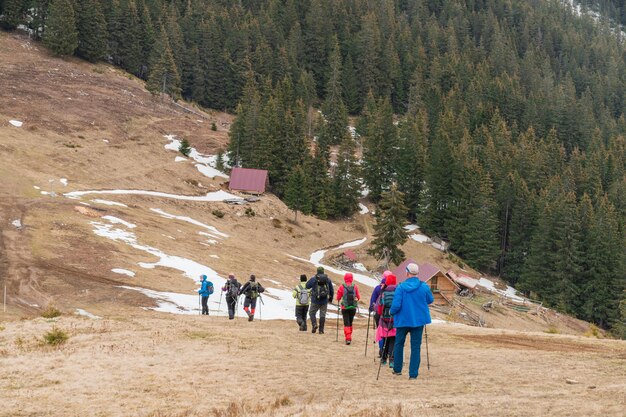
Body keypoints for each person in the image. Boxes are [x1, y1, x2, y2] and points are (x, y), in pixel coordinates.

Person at [390, 263, 434, 379]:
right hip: (418, 321)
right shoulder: (423, 286)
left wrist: (391, 312)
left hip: (402, 320)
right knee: (416, 347)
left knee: (399, 344)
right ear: (417, 273)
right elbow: (430, 299)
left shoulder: (400, 287)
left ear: (407, 272)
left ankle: (397, 369)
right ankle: (413, 374)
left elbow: (396, 305)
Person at [376, 273, 397, 367]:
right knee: (393, 339)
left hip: (384, 319)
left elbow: (379, 309)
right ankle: (392, 360)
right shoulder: (398, 292)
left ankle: (383, 358)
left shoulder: (383, 293)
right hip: (395, 319)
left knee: (385, 339)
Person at [306, 266, 334, 334]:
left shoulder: (314, 278)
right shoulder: (328, 279)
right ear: (323, 271)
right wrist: (330, 299)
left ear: (317, 271)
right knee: (322, 315)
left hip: (315, 300)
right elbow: (331, 290)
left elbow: (307, 286)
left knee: (312, 313)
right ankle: (321, 330)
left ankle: (314, 324)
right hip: (324, 300)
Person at [370, 270, 391, 355]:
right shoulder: (394, 288)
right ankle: (389, 350)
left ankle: (381, 350)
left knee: (381, 332)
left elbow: (373, 300)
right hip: (390, 313)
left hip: (379, 313)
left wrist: (371, 308)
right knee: (390, 332)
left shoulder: (378, 288)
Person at [336, 272, 361, 345]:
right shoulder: (355, 286)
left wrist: (339, 298)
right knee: (350, 322)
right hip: (353, 307)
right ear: (352, 278)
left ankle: (348, 338)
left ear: (345, 278)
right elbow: (358, 297)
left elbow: (338, 297)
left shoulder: (342, 286)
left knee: (346, 323)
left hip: (345, 307)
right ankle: (349, 336)